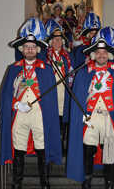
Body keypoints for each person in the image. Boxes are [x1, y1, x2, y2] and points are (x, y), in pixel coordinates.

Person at [67, 27, 114, 189]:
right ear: (93, 54)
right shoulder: (83, 73)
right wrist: (81, 115)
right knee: (88, 149)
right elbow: (78, 97)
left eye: (104, 52)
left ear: (109, 54)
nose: (101, 55)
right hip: (90, 118)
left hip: (108, 118)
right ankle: (87, 181)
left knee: (110, 151)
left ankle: (109, 184)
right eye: (98, 51)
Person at [0, 18, 62, 189]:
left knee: (43, 145)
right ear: (22, 49)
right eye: (26, 47)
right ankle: (17, 182)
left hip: (39, 113)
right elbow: (7, 95)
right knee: (18, 146)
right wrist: (15, 104)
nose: (29, 49)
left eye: (32, 47)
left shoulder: (46, 69)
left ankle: (45, 182)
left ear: (37, 49)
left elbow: (50, 98)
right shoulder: (14, 68)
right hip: (20, 112)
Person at [45, 19, 74, 154]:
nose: (58, 42)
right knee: (51, 122)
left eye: (60, 40)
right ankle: (51, 147)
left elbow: (72, 71)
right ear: (51, 42)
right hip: (51, 94)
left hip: (64, 94)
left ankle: (61, 147)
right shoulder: (45, 56)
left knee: (63, 122)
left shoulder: (67, 56)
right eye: (55, 40)